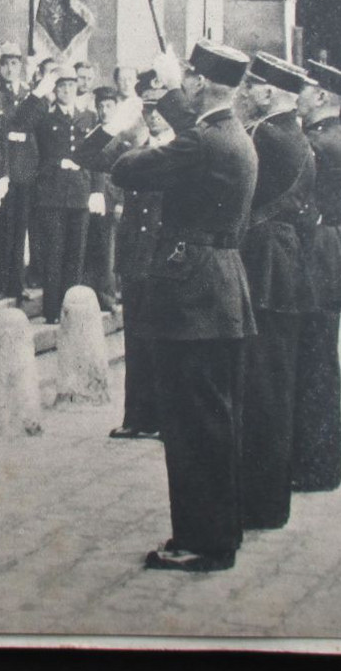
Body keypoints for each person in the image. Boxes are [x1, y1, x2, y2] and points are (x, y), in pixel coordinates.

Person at [99, 40, 259, 572]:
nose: (184, 82)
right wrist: (167, 98)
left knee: (192, 423)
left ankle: (200, 541)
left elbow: (128, 170)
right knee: (215, 417)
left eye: (188, 77)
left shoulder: (203, 142)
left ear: (200, 85)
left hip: (192, 293)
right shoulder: (230, 133)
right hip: (222, 289)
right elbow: (191, 132)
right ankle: (221, 530)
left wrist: (129, 129)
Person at [235, 52, 319, 532]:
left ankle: (260, 502)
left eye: (252, 88)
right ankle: (269, 498)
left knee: (263, 388)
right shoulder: (296, 133)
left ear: (268, 93)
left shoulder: (268, 135)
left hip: (265, 269)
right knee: (274, 385)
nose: (245, 94)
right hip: (284, 268)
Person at [87, 69, 168, 440]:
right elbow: (85, 154)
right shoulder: (131, 147)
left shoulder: (184, 147)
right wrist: (117, 123)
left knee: (166, 343)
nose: (152, 115)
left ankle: (168, 418)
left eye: (160, 107)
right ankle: (139, 416)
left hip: (167, 260)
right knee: (136, 340)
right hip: (136, 256)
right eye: (147, 108)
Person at [290, 58, 341, 493]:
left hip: (317, 257)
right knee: (316, 364)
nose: (298, 93)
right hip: (324, 255)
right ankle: (316, 463)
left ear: (320, 97)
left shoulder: (322, 142)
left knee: (314, 367)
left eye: (304, 87)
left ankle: (317, 466)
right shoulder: (328, 136)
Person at [22, 65, 93, 324]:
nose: (66, 90)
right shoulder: (46, 119)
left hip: (79, 194)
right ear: (55, 89)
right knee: (53, 253)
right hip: (51, 194)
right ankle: (52, 310)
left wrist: (95, 190)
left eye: (71, 86)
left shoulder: (88, 118)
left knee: (76, 254)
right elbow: (24, 123)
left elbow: (96, 156)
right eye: (61, 86)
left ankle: (71, 309)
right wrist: (56, 164)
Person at [0, 43, 35, 304]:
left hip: (25, 171)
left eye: (14, 63)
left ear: (21, 67)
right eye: (5, 63)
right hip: (3, 171)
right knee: (1, 230)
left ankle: (18, 283)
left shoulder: (29, 94)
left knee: (20, 229)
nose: (9, 68)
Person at [81, 85, 122, 311]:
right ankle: (88, 294)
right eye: (101, 106)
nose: (104, 111)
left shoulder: (121, 135)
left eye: (109, 106)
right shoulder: (93, 133)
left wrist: (121, 202)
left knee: (108, 249)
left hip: (112, 198)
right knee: (89, 246)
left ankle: (108, 296)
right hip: (89, 196)